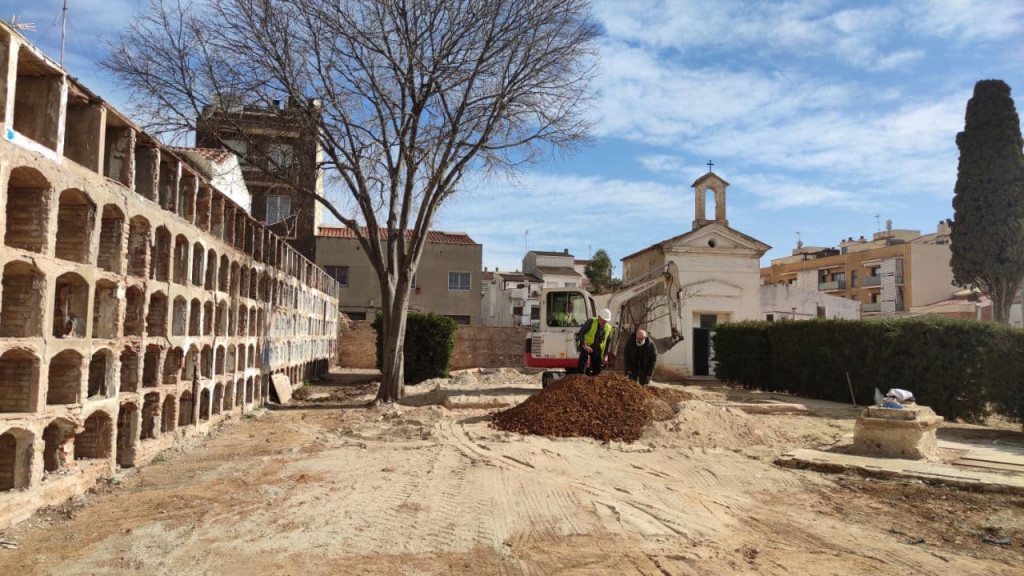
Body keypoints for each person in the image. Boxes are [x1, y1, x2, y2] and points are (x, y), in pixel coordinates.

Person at [576, 308, 612, 376]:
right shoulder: (591, 321)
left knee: (597, 368)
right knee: (583, 361)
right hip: (587, 345)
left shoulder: (608, 328)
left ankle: (595, 380)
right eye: (603, 320)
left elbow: (608, 342)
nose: (604, 322)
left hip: (597, 348)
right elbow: (581, 333)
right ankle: (581, 377)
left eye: (606, 321)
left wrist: (606, 355)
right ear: (599, 317)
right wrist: (584, 345)